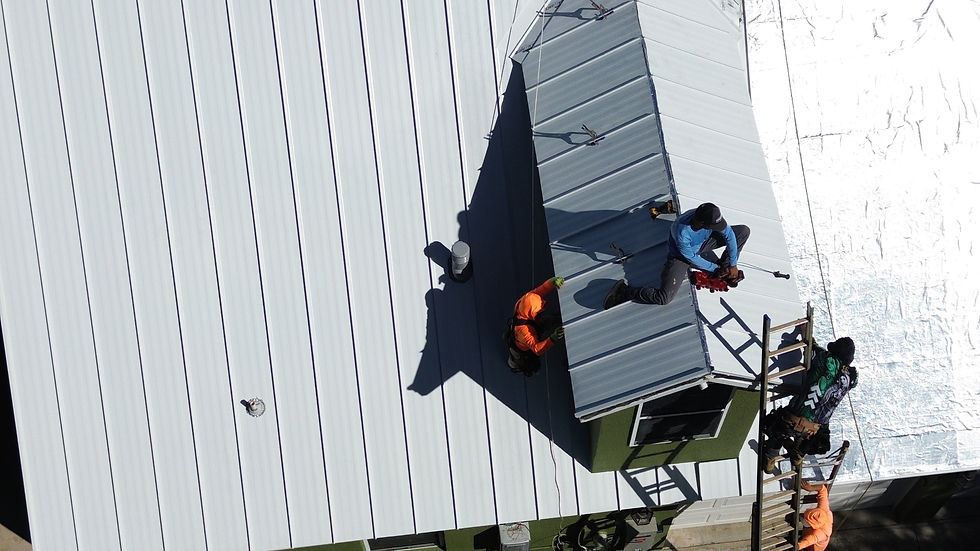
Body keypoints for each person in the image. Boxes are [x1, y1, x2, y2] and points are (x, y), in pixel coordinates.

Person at [603, 202, 750, 309]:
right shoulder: (682, 232)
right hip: (680, 256)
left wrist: (732, 264)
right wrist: (715, 270)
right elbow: (691, 257)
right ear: (703, 223)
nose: (719, 227)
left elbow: (729, 234)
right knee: (664, 298)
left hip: (704, 242)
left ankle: (725, 268)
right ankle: (624, 291)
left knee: (743, 231)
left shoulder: (708, 216)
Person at [763, 337, 858, 473]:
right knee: (817, 428)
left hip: (792, 420)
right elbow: (852, 379)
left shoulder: (826, 360)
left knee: (776, 428)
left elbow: (815, 351)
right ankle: (799, 453)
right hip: (815, 432)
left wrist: (810, 341)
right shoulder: (852, 378)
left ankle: (769, 459)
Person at [505, 276, 565, 376]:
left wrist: (553, 281)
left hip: (531, 325)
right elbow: (537, 349)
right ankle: (513, 363)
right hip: (522, 346)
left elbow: (543, 288)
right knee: (527, 363)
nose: (541, 313)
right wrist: (553, 338)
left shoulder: (529, 298)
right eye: (538, 314)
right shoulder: (525, 332)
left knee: (551, 320)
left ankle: (556, 319)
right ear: (531, 313)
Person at [798, 480, 833, 550]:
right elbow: (823, 489)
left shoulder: (819, 534)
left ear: (813, 526)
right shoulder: (824, 510)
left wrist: (797, 546)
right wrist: (811, 488)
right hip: (809, 533)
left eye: (806, 522)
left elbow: (806, 542)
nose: (803, 520)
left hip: (813, 548)